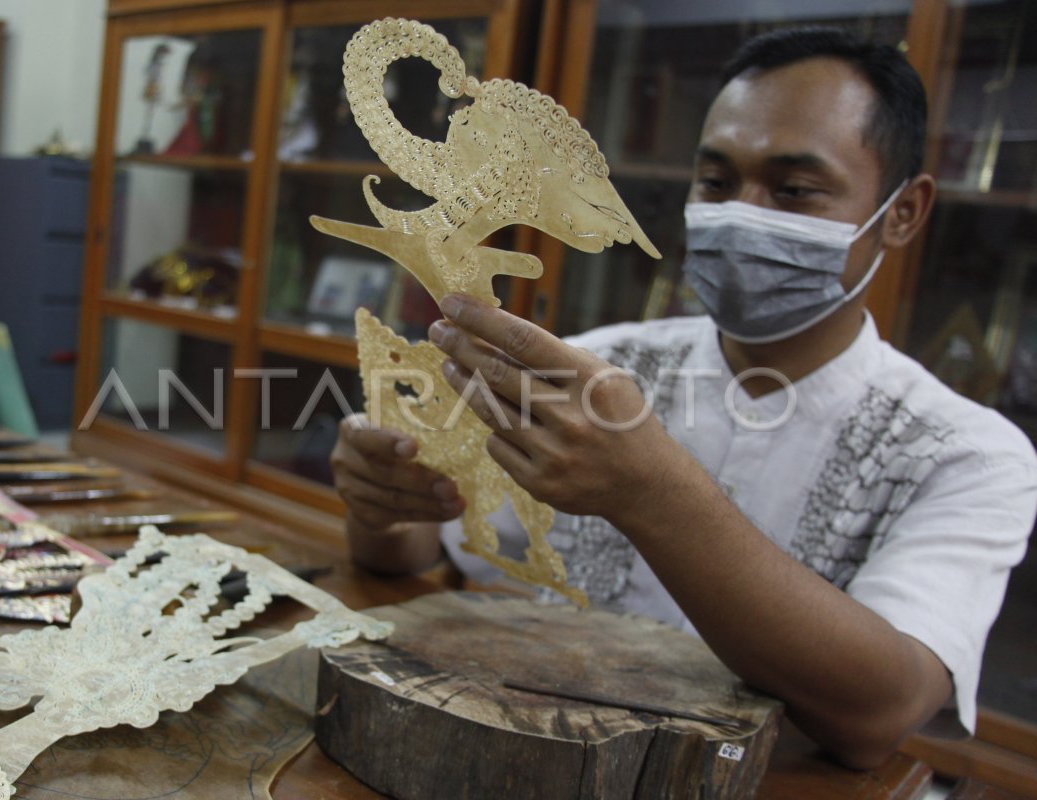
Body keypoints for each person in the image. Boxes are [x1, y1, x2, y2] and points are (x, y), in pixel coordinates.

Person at [329, 27, 1037, 769]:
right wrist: (384, 496)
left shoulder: (965, 454)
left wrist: (651, 491)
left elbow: (879, 712)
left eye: (794, 189)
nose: (740, 214)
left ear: (902, 212)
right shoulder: (600, 365)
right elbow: (418, 550)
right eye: (717, 183)